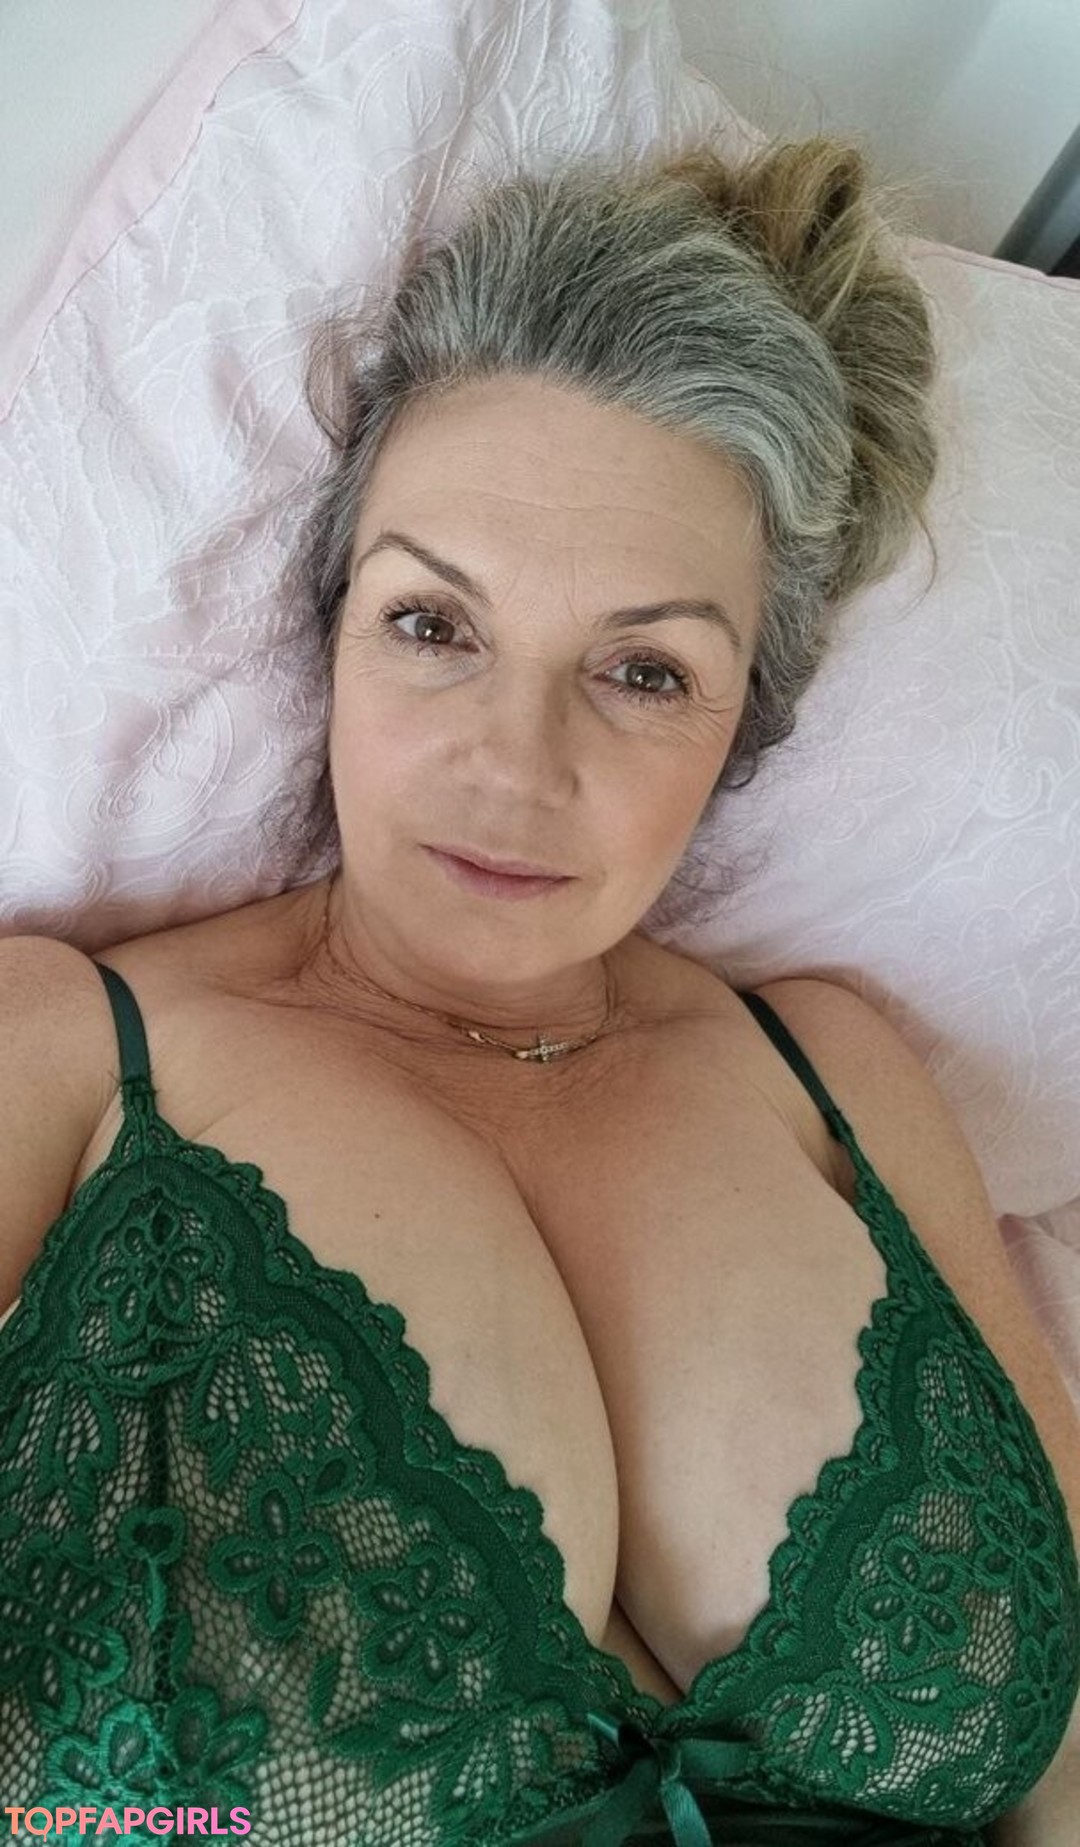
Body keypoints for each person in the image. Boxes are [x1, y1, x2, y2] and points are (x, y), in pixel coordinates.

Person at [1, 137, 1077, 1847]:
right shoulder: (60, 1058)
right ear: (330, 632)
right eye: (434, 626)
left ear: (747, 722)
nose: (516, 764)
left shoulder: (837, 1075)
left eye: (644, 670)